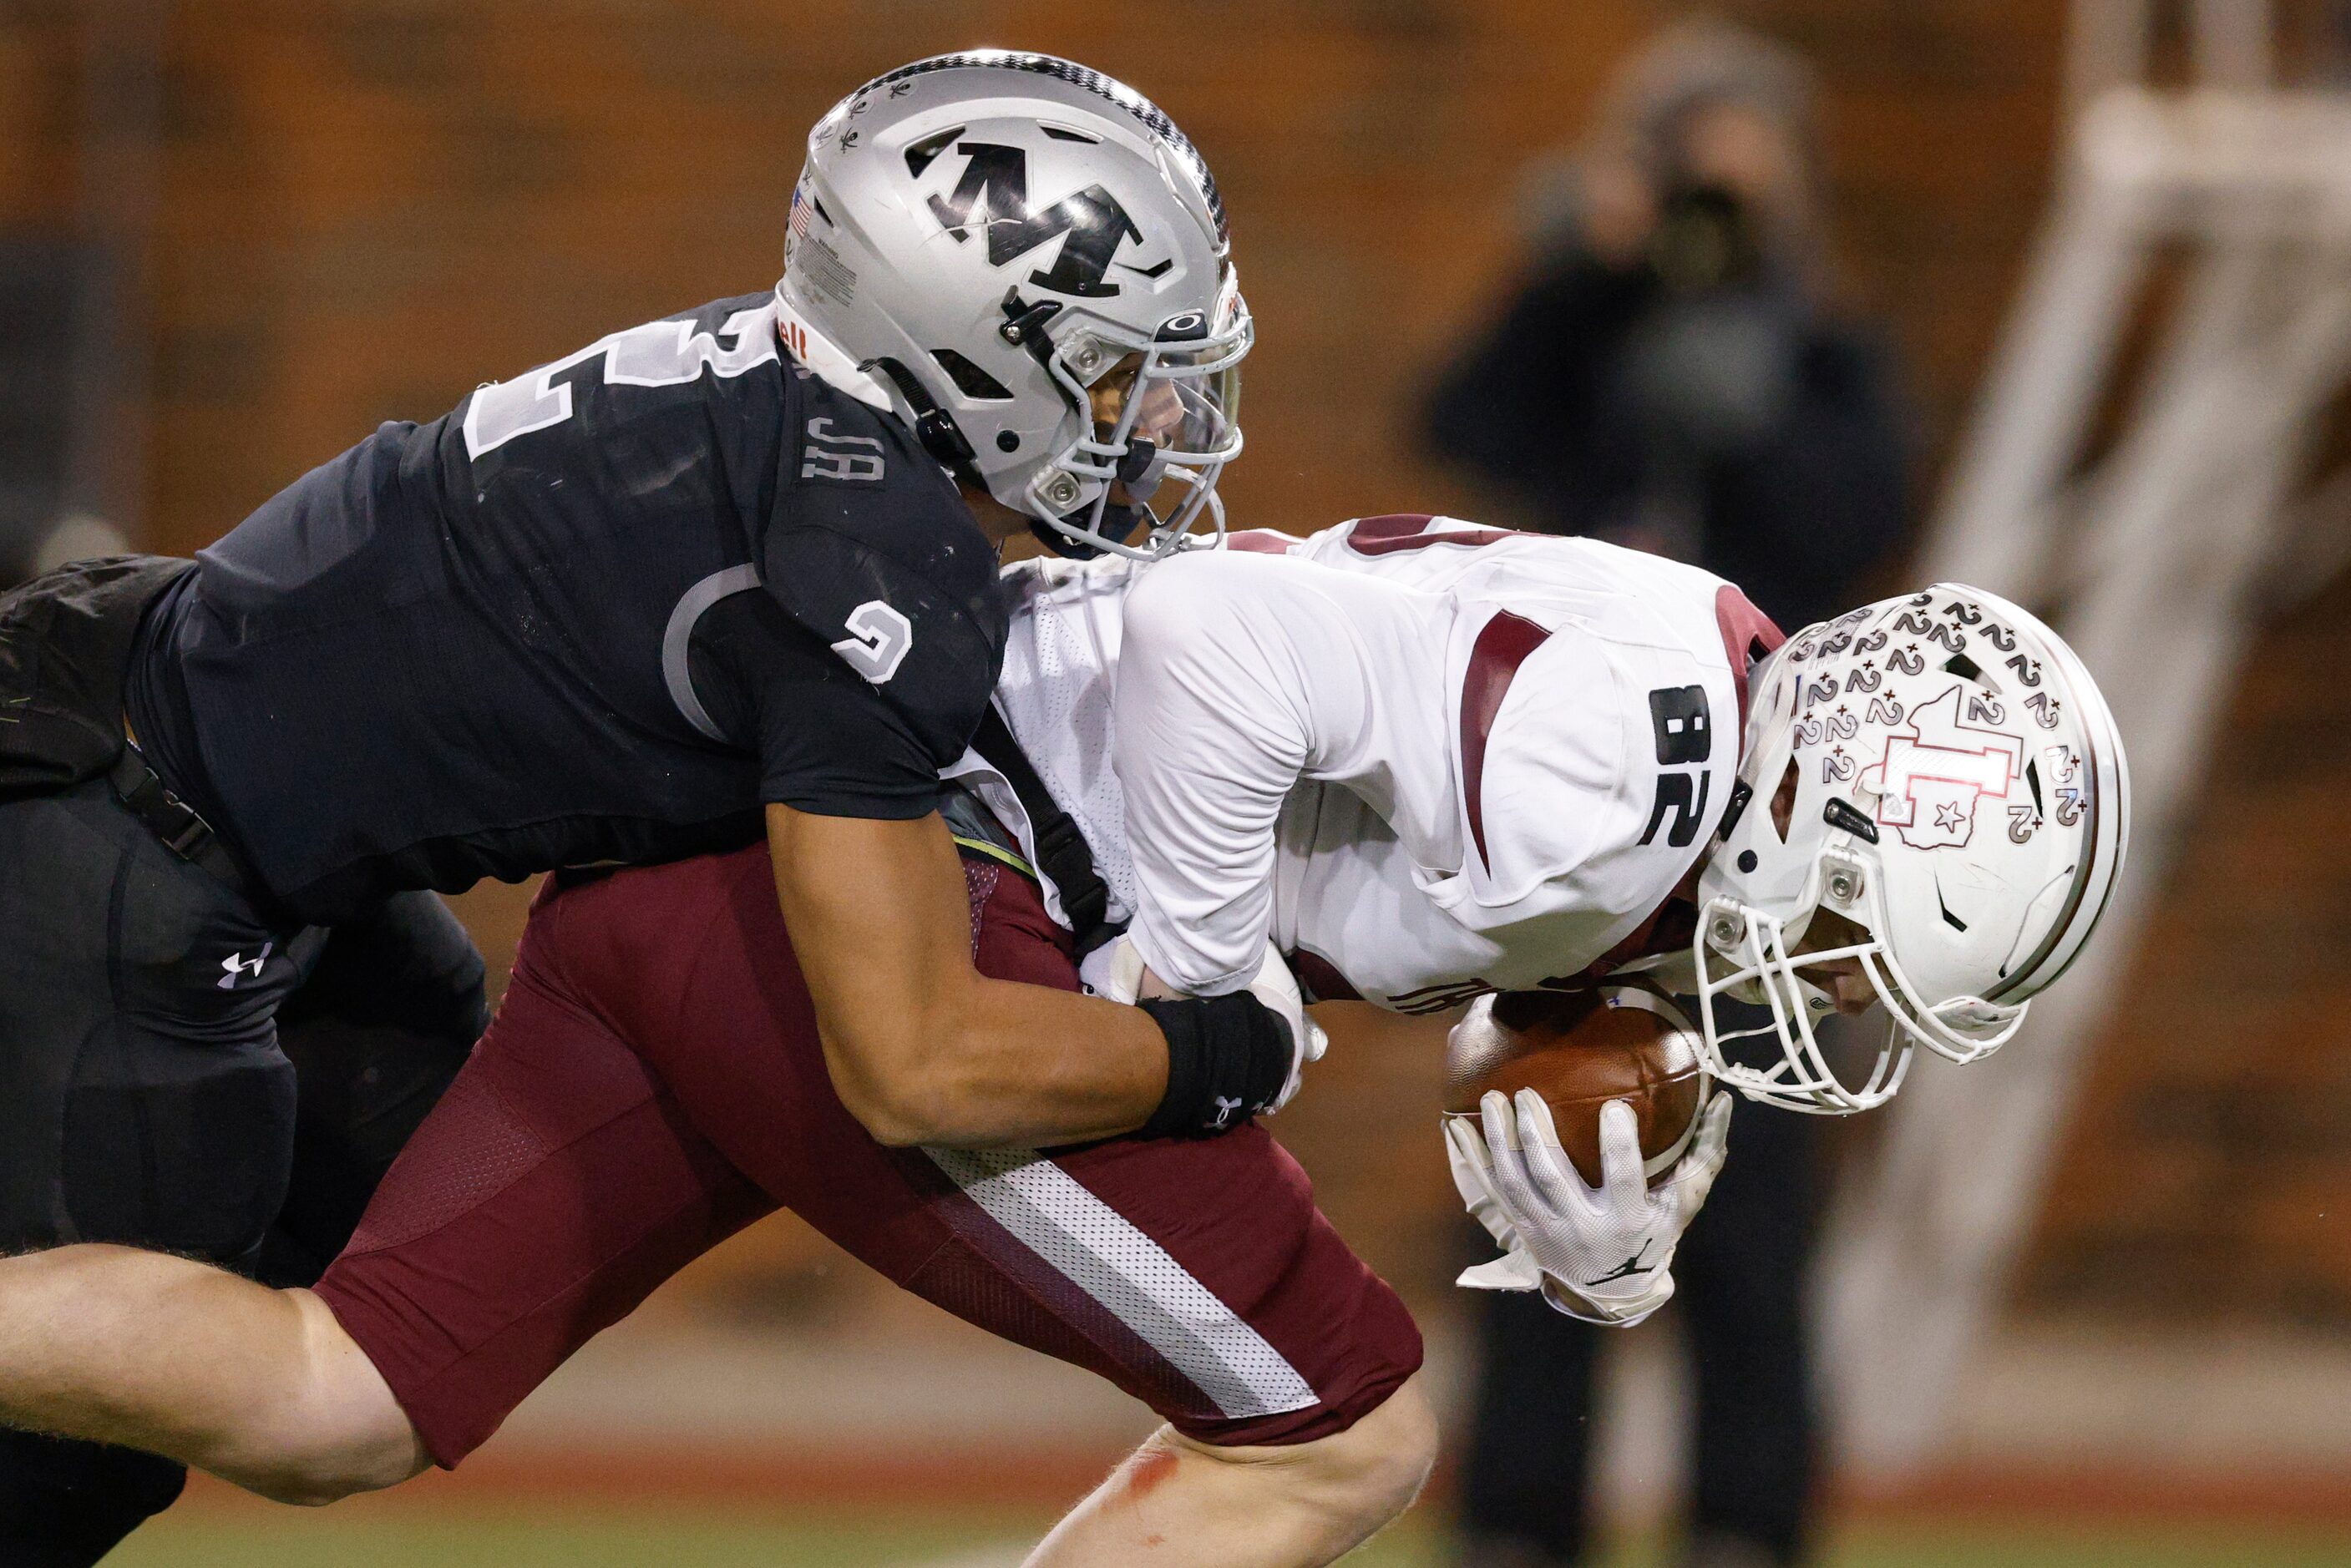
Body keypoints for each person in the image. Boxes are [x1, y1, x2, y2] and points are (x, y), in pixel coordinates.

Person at [0, 515, 2127, 1565]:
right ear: (1848, 805)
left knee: (339, 1399)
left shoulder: (1690, 712)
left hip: (728, 872)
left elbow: (1465, 876)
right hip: (917, 898)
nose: (1831, 987)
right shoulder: (1632, 771)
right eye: (1859, 938)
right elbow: (1217, 641)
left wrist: (1608, 1135)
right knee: (1350, 1427)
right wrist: (1186, 983)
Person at [0, 51, 1306, 1565]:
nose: (1150, 418)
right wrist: (1215, 1046)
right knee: (66, 1465)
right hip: (131, 829)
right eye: (1104, 368)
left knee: (385, 1322)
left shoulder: (813, 412)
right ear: (971, 350)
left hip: (220, 794)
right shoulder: (870, 553)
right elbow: (915, 1061)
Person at [1424, 23, 1915, 1564]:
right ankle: (1519, 1522)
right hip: (1575, 841)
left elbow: (1861, 524)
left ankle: (1745, 1528)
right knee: (1536, 1153)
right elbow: (1462, 429)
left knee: (1757, 1217)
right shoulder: (1589, 340)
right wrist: (1576, 272)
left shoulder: (1829, 357)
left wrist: (1759, 401)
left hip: (1765, 853)